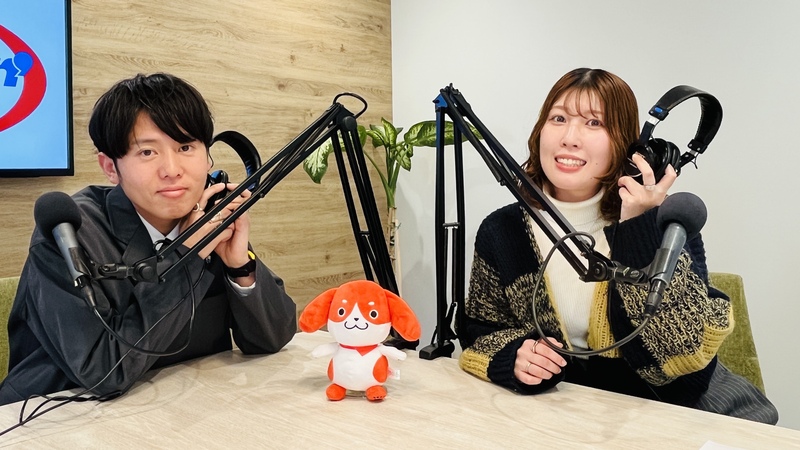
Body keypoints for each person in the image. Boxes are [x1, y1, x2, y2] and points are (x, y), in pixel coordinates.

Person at [457, 68, 778, 423]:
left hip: (678, 413)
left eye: (594, 123)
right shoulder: (502, 230)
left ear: (627, 144)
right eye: (558, 118)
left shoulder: (666, 223)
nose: (569, 138)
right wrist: (514, 356)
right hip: (571, 416)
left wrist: (640, 227)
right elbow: (482, 329)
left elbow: (680, 355)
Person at [0, 73, 297, 405]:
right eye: (147, 152)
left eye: (185, 147)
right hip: (60, 414)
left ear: (207, 157)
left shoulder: (208, 215)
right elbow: (102, 372)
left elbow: (273, 338)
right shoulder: (68, 231)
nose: (172, 169)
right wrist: (187, 255)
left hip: (181, 405)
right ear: (110, 167)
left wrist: (240, 267)